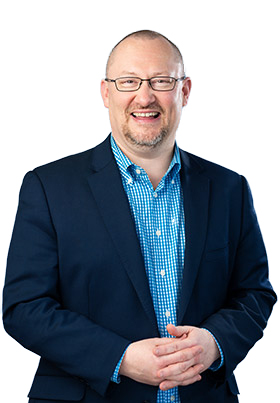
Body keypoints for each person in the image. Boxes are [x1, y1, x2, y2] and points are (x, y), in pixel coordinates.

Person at [2, 30, 276, 403]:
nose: (144, 96)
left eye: (162, 81)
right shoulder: (49, 187)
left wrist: (213, 343)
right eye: (128, 81)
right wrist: (121, 358)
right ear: (106, 92)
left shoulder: (230, 189)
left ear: (185, 91)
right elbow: (24, 308)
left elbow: (254, 293)